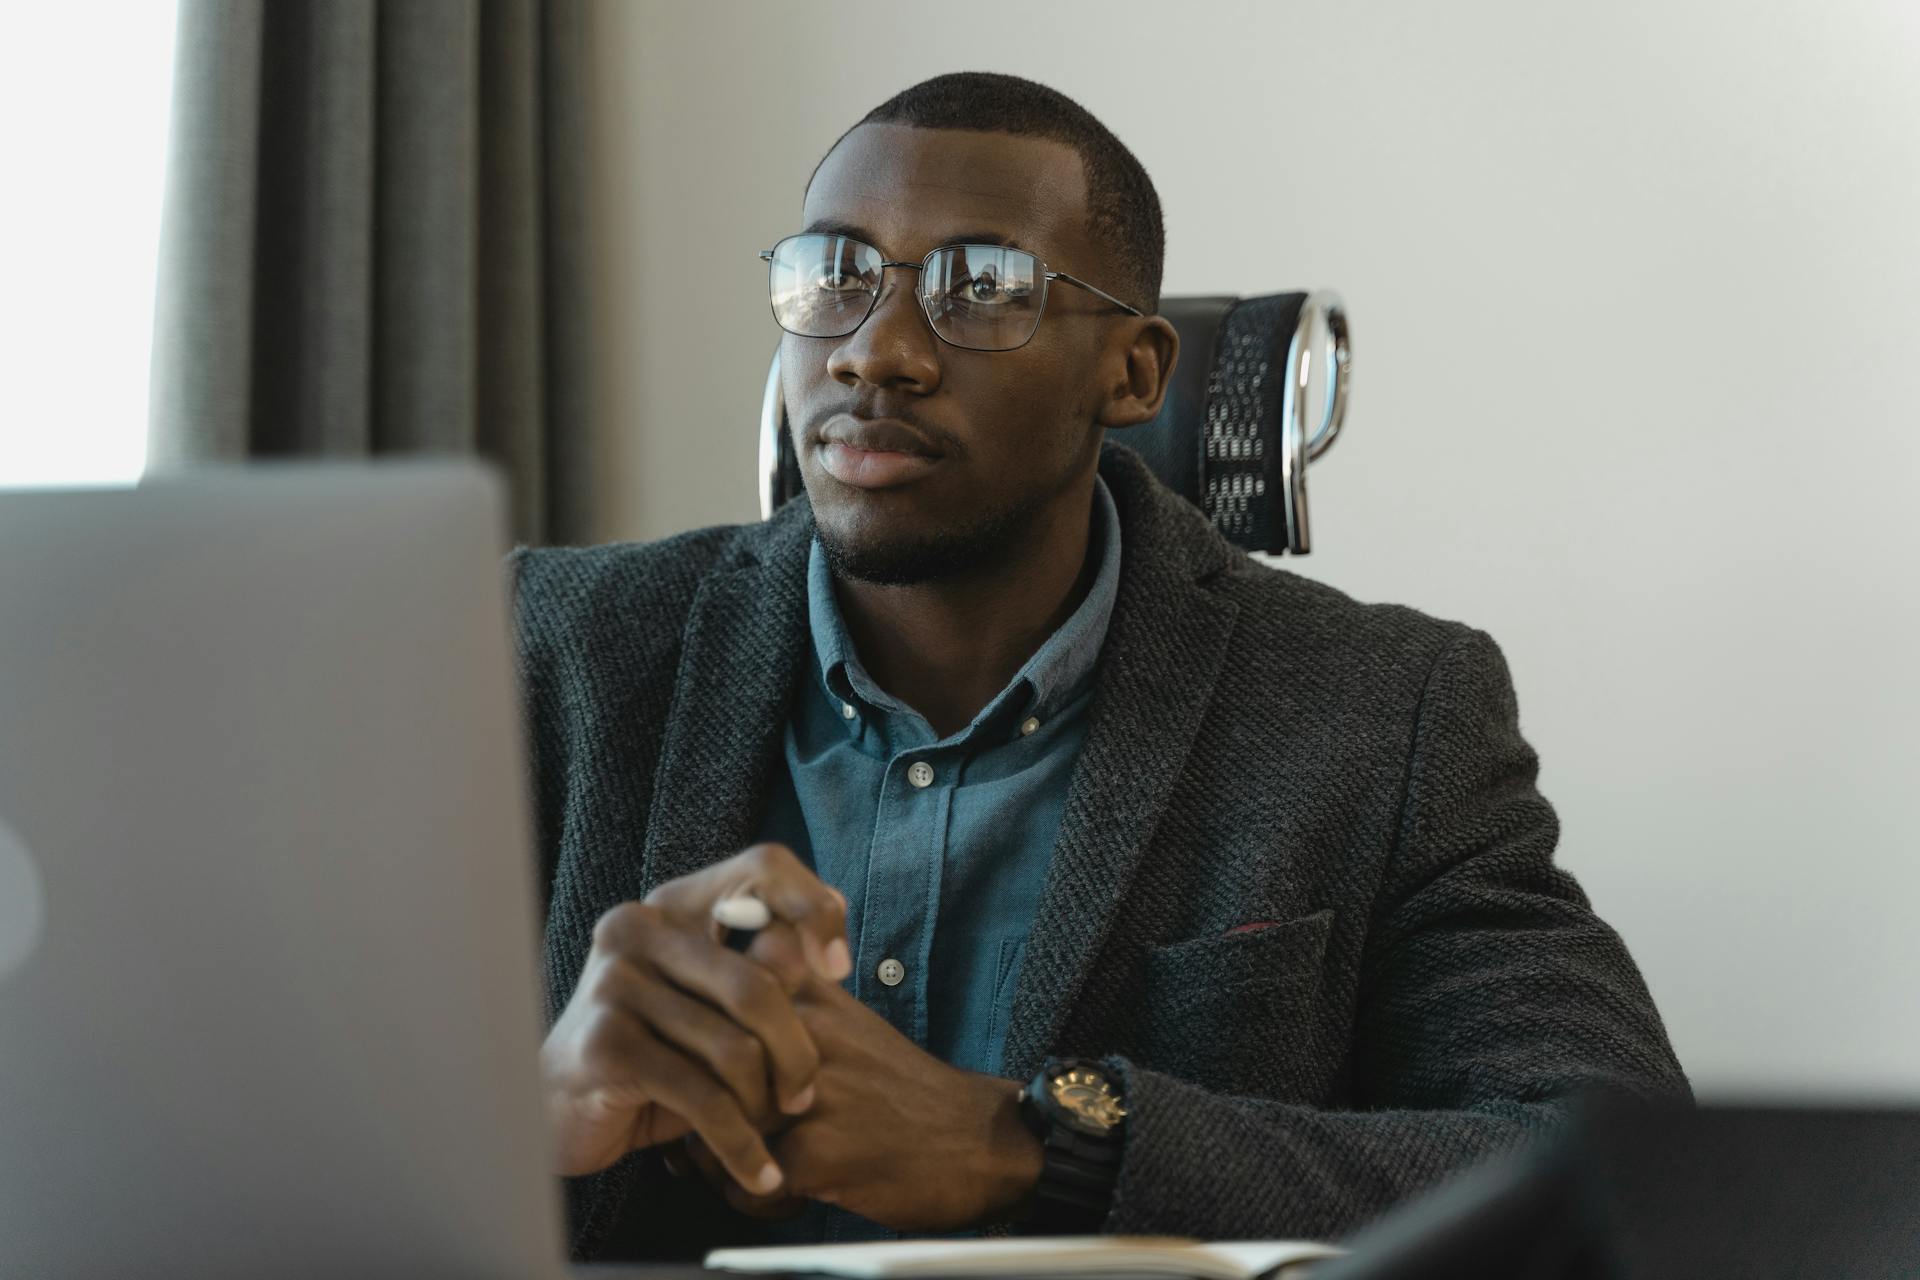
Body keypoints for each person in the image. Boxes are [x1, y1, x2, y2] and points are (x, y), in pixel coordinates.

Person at [512, 71, 1688, 1263]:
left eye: (984, 287)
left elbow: (1615, 1164)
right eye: (838, 272)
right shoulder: (550, 655)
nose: (879, 353)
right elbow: (329, 1113)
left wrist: (1025, 1146)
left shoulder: (1382, 712)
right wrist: (524, 1121)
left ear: (1133, 373)